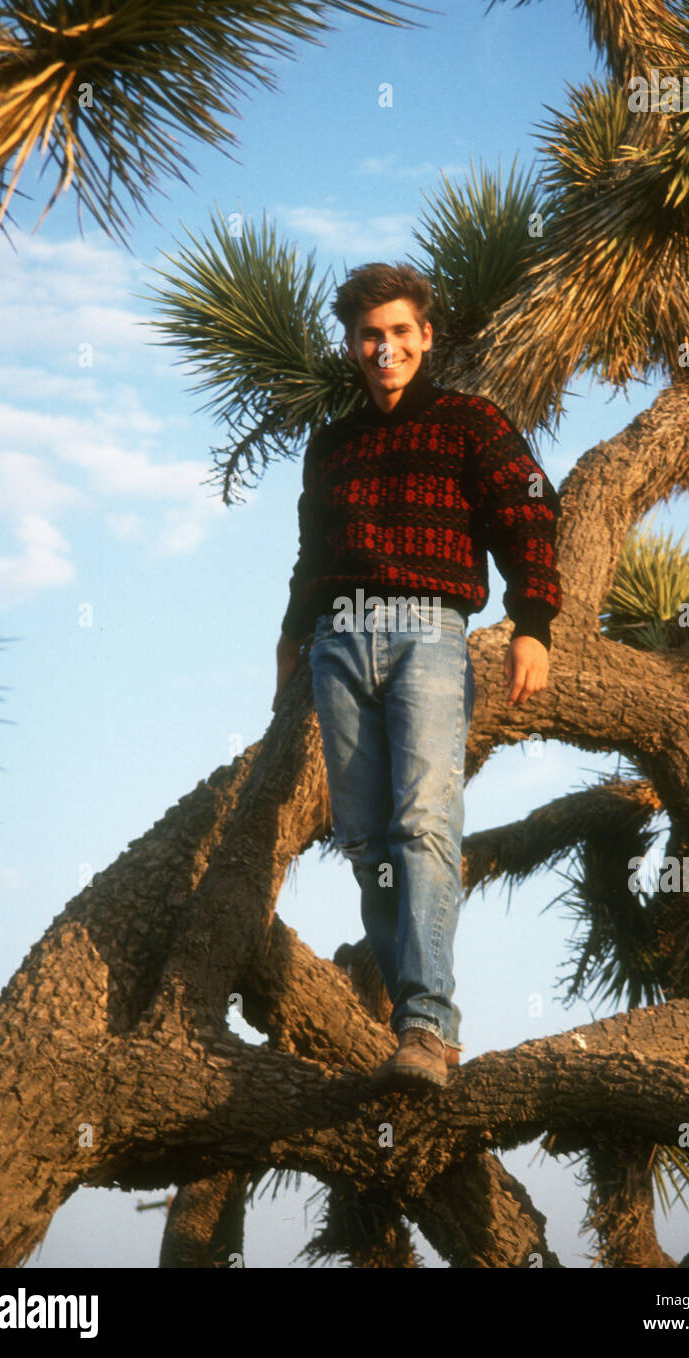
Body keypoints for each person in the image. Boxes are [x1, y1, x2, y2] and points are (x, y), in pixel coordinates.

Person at [273, 261, 562, 1089]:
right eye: (371, 335)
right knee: (365, 839)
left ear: (425, 335)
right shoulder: (331, 444)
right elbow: (310, 554)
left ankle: (428, 1026)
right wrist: (291, 642)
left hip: (428, 635)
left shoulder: (471, 422)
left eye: (401, 332)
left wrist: (533, 625)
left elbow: (527, 511)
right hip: (336, 642)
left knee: (425, 823)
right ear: (353, 344)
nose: (386, 347)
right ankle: (410, 1019)